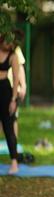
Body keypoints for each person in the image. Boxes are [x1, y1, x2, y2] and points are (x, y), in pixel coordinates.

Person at [0, 36, 20, 174]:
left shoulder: (13, 56)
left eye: (12, 43)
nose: (9, 45)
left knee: (8, 127)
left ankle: (14, 162)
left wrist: (13, 99)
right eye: (8, 42)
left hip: (5, 91)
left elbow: (16, 78)